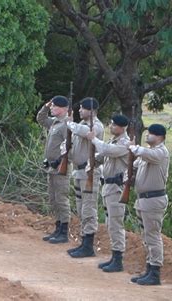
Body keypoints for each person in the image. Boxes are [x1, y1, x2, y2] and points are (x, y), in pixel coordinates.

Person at [87, 114, 130, 272]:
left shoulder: (124, 143)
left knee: (116, 224)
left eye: (113, 125)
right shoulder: (113, 141)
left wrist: (94, 139)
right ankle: (114, 256)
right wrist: (94, 159)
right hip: (108, 187)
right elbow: (103, 155)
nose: (111, 127)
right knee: (110, 223)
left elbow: (106, 150)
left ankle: (118, 259)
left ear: (122, 127)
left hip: (117, 189)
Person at [128, 124, 169, 286]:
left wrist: (133, 147)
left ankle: (155, 272)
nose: (148, 136)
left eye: (151, 133)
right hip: (143, 200)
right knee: (146, 236)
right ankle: (149, 268)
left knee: (153, 236)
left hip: (153, 200)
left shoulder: (160, 152)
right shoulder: (149, 154)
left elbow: (144, 153)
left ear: (159, 136)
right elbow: (135, 165)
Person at [66, 97, 104, 258]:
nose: (80, 111)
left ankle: (88, 245)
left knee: (89, 209)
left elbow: (87, 134)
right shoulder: (81, 124)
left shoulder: (97, 126)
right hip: (79, 172)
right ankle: (83, 242)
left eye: (83, 108)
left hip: (90, 172)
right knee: (81, 208)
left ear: (92, 110)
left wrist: (70, 123)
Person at [36, 96, 71, 244]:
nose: (52, 108)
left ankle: (64, 231)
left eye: (54, 106)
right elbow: (40, 118)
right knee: (53, 199)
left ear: (63, 109)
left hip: (61, 167)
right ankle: (57, 228)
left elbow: (70, 146)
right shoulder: (55, 123)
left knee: (61, 199)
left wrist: (60, 161)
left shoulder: (67, 125)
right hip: (51, 167)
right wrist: (46, 106)